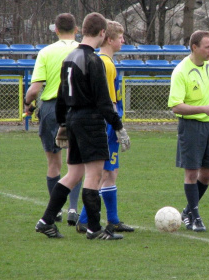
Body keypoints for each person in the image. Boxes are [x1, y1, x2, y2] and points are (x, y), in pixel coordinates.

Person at [35, 12, 130, 240]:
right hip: (90, 121)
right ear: (102, 33)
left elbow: (60, 94)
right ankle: (94, 229)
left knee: (73, 173)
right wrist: (119, 126)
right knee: (93, 176)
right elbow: (103, 101)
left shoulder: (69, 58)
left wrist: (62, 124)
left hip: (73, 119)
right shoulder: (93, 60)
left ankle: (46, 221)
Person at [76, 20, 134, 234]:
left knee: (111, 172)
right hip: (107, 126)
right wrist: (116, 128)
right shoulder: (106, 64)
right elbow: (108, 101)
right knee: (103, 173)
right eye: (120, 37)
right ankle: (85, 220)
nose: (123, 40)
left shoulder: (105, 61)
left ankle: (113, 220)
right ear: (109, 39)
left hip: (107, 124)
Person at [24, 13, 82, 226]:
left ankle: (55, 210)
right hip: (76, 107)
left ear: (56, 30)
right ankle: (73, 209)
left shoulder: (46, 52)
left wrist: (27, 103)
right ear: (76, 30)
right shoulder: (82, 50)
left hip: (50, 108)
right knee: (74, 162)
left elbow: (35, 88)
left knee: (53, 162)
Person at [168, 30, 209, 232]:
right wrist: (202, 109)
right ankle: (195, 216)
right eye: (207, 47)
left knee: (208, 173)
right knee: (192, 172)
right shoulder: (181, 71)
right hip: (191, 126)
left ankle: (187, 211)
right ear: (195, 47)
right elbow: (176, 106)